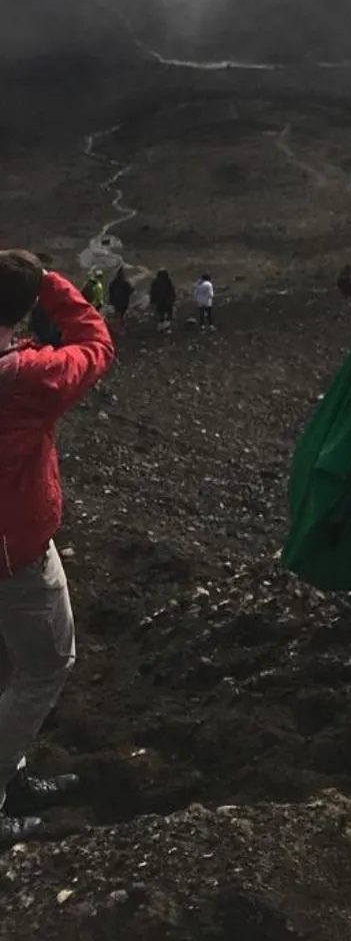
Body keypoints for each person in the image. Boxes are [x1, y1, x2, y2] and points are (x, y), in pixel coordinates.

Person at [0, 249, 115, 846]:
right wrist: (49, 284)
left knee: (7, 668)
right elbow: (96, 346)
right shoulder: (28, 377)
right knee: (45, 665)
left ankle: (10, 774)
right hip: (13, 553)